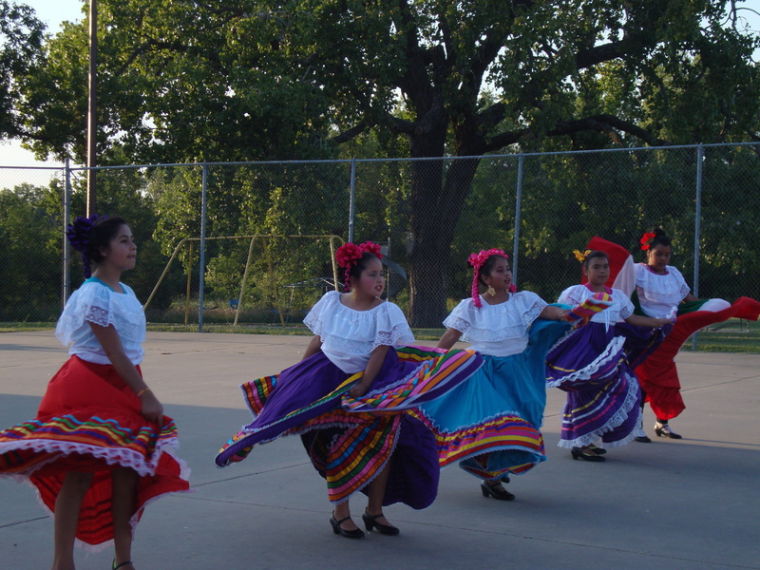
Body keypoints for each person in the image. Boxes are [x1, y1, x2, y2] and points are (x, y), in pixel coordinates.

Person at [215, 241, 482, 538]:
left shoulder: (387, 311)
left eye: (382, 274)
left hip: (373, 386)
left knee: (385, 445)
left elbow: (381, 349)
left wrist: (364, 385)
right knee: (336, 446)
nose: (380, 280)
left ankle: (375, 511)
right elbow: (318, 341)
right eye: (372, 274)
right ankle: (340, 513)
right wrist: (295, 378)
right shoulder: (331, 302)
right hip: (328, 381)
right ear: (352, 278)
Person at [0, 215, 190, 570]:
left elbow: (127, 355)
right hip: (88, 383)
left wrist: (138, 388)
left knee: (125, 472)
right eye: (123, 240)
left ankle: (124, 559)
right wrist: (145, 392)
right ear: (102, 249)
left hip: (126, 382)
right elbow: (112, 351)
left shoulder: (127, 292)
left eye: (132, 239)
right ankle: (63, 562)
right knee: (80, 470)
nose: (132, 246)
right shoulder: (92, 294)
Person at [412, 249, 570, 501]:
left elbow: (550, 312)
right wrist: (429, 365)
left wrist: (566, 314)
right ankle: (492, 477)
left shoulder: (523, 300)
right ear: (485, 278)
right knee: (494, 424)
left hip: (517, 371)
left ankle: (494, 468)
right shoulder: (471, 307)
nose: (506, 274)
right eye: (500, 270)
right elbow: (450, 337)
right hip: (482, 374)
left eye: (507, 269)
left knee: (526, 415)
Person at [632, 228, 760, 440]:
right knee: (646, 378)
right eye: (659, 254)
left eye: (667, 254)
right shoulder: (638, 271)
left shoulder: (673, 273)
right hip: (647, 332)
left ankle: (662, 423)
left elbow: (689, 301)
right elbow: (625, 295)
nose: (663, 258)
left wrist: (711, 309)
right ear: (648, 253)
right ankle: (636, 426)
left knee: (666, 379)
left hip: (671, 330)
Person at [545, 250, 672, 461]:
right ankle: (582, 444)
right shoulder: (576, 292)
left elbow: (631, 319)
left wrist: (658, 322)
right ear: (586, 270)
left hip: (607, 349)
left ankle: (589, 439)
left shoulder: (617, 296)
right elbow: (563, 317)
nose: (602, 271)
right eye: (596, 267)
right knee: (584, 392)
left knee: (624, 383)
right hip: (583, 349)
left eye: (605, 266)